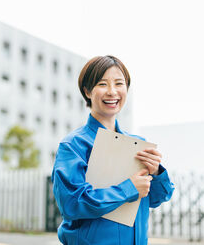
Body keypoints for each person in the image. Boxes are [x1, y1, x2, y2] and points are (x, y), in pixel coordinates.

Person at [51, 55, 175, 245]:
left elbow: (156, 199)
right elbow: (72, 204)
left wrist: (157, 173)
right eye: (102, 84)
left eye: (119, 83)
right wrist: (129, 188)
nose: (112, 92)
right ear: (87, 91)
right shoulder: (74, 145)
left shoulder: (138, 144)